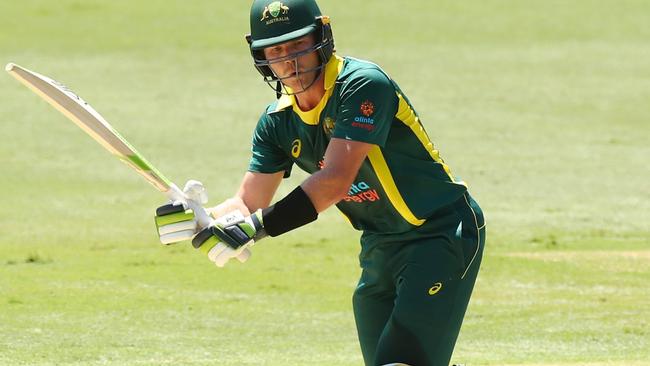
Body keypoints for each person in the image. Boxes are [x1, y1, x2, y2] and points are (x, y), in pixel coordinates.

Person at [154, 1, 486, 365]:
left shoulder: (361, 85)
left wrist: (256, 228)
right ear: (261, 56)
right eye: (277, 50)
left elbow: (335, 181)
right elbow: (248, 203)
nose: (290, 61)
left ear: (321, 39)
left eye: (298, 45)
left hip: (439, 232)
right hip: (380, 246)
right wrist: (201, 218)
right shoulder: (276, 123)